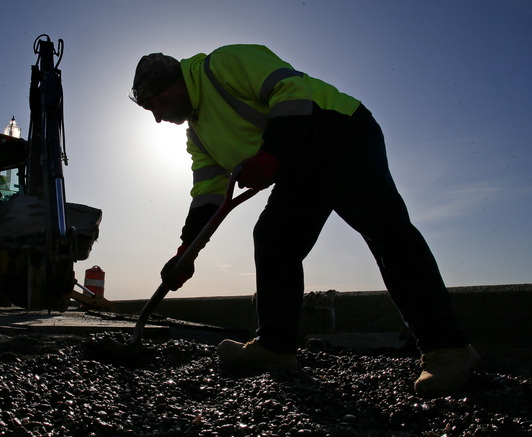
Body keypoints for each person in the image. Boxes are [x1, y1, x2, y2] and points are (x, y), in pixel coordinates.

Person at [129, 44, 480, 398]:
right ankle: (276, 348)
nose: (157, 118)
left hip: (339, 131)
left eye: (153, 105)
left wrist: (270, 156)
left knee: (385, 230)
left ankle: (448, 348)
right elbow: (207, 193)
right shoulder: (197, 134)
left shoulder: (222, 64)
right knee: (273, 238)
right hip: (297, 163)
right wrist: (186, 250)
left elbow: (291, 90)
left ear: (168, 84)